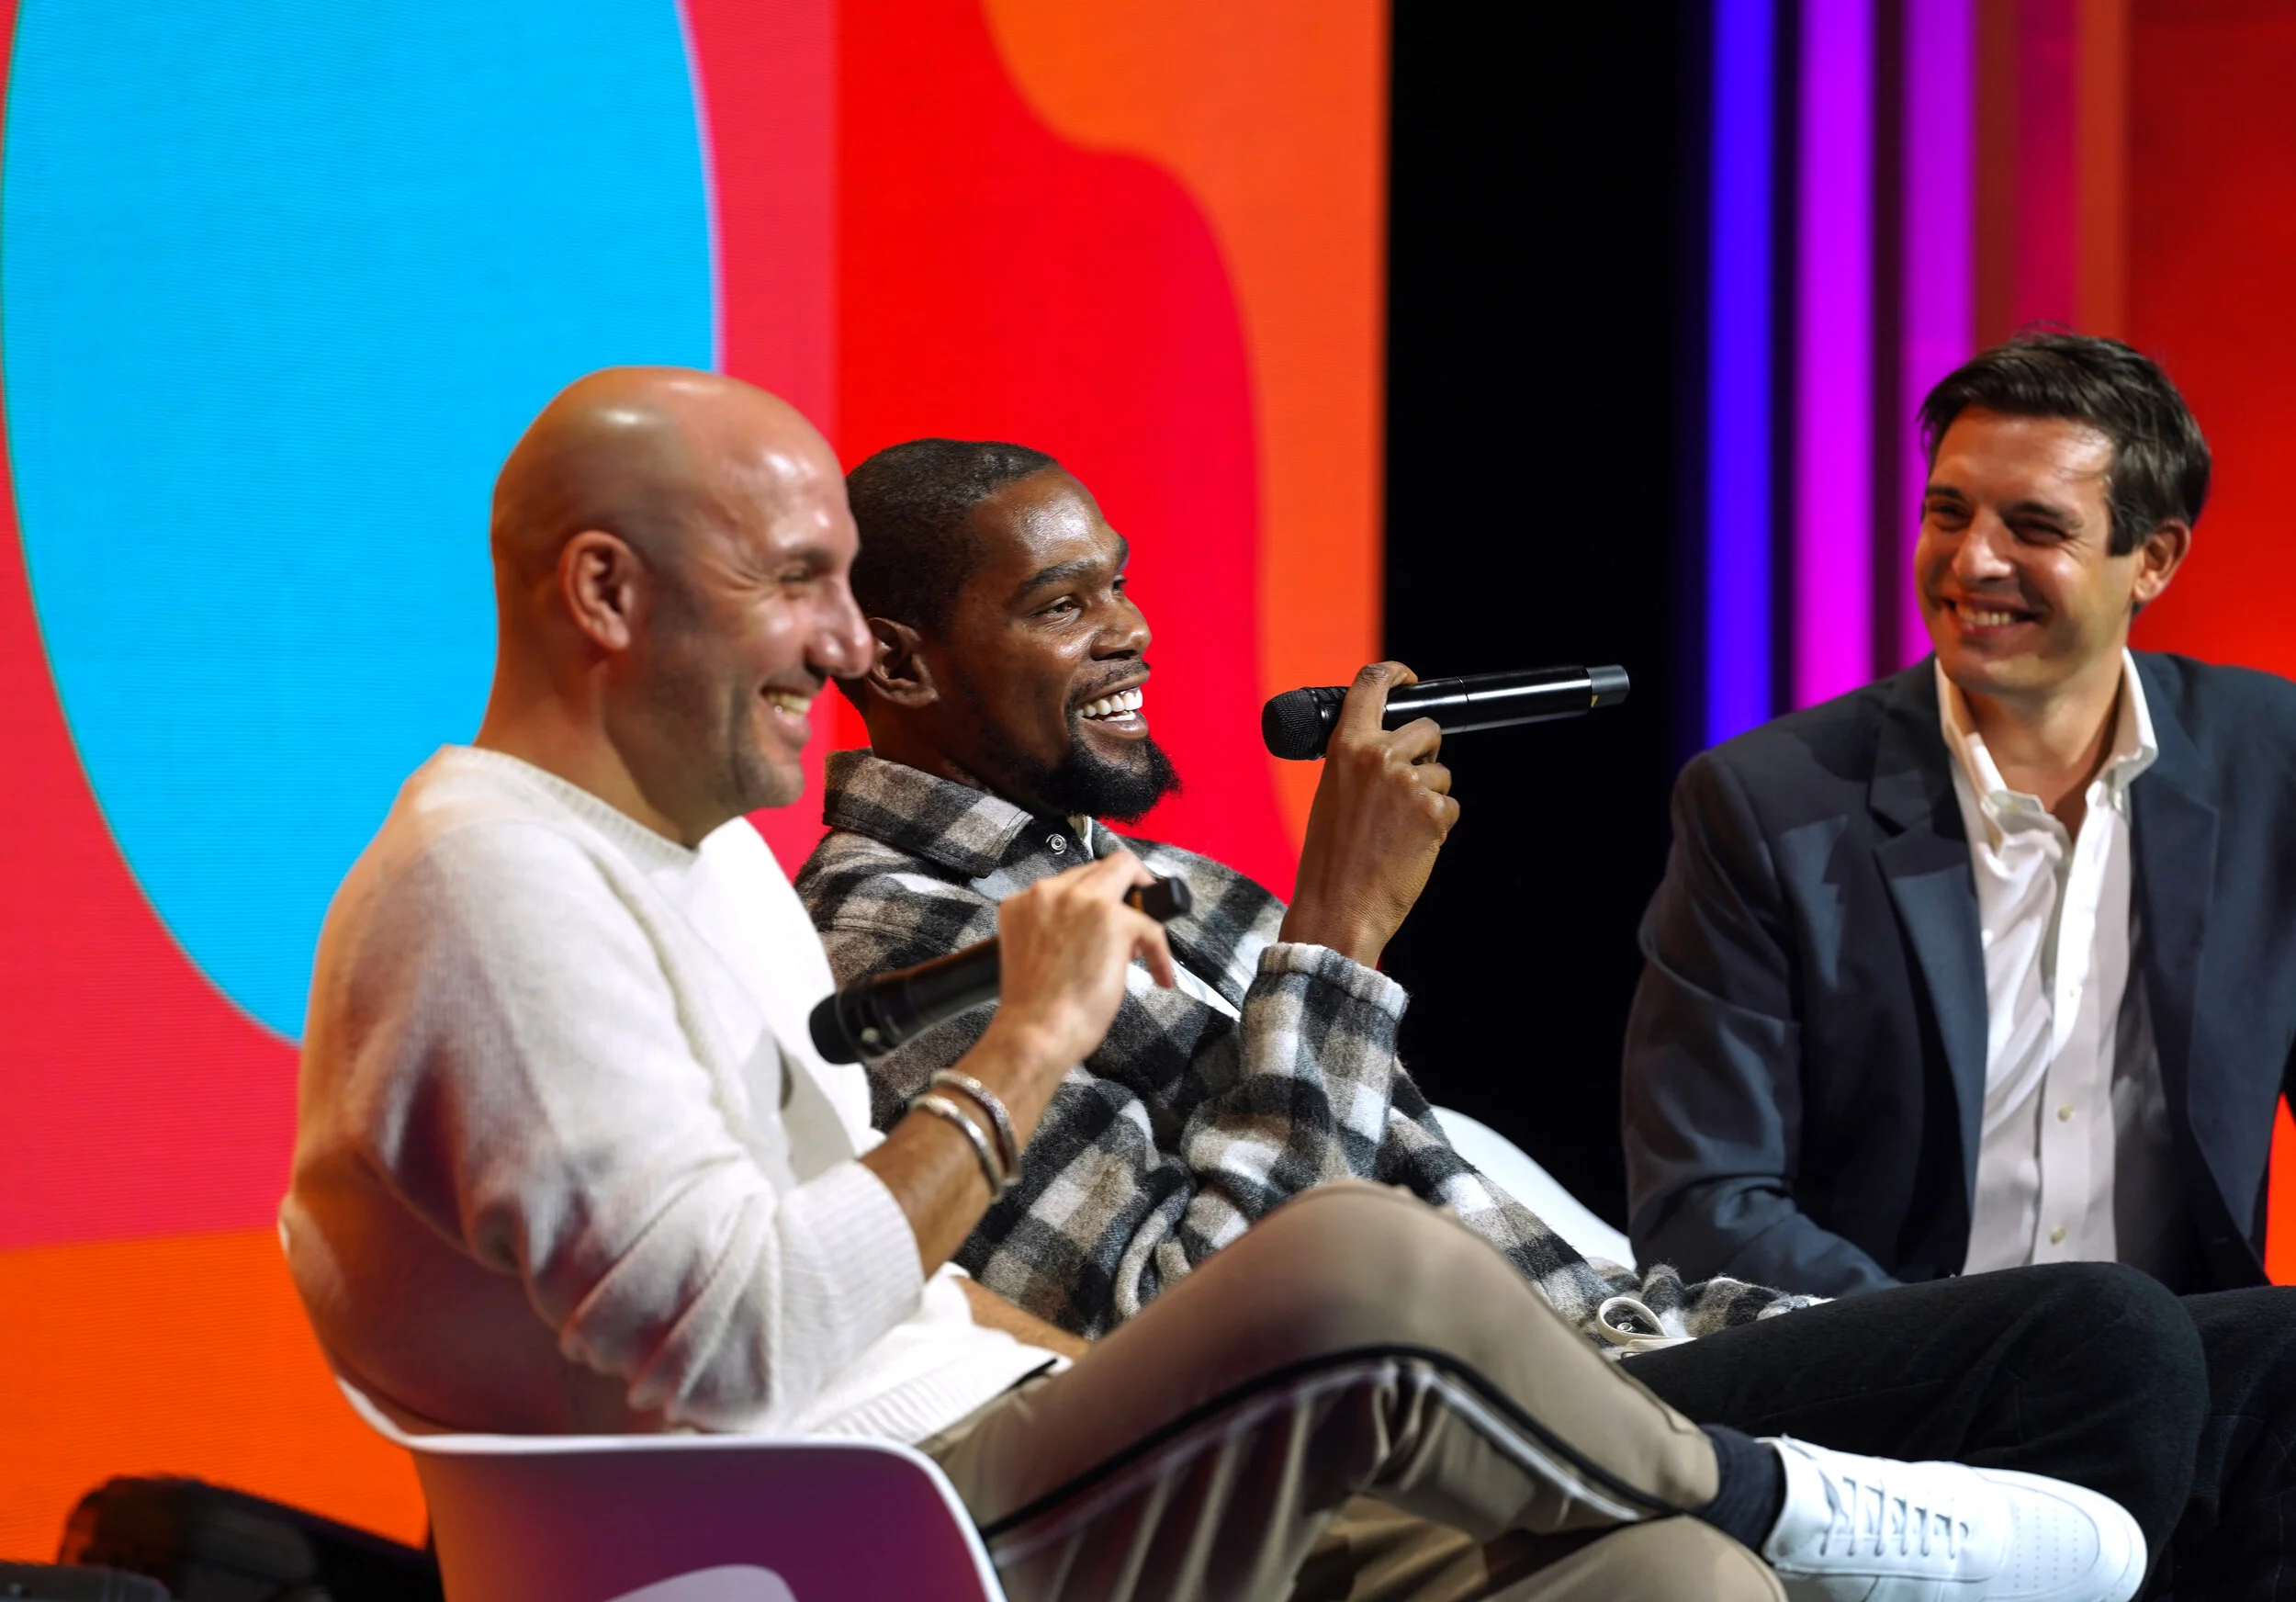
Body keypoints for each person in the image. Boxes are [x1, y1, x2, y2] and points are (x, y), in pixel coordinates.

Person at [284, 367, 2156, 1602]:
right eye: (798, 585)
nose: (838, 644)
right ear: (606, 594)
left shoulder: (688, 864)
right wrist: (1027, 1046)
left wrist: (1126, 1352)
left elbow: (902, 1274)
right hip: (856, 1526)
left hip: (998, 1431)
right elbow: (735, 1338)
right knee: (1364, 1273)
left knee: (1673, 1587)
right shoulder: (492, 873)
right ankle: (1799, 1494)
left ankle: (1767, 1514)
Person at [793, 432, 2296, 1598]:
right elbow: (1211, 1334)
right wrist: (1338, 936)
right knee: (2103, 1342)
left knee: (2269, 1357)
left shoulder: (1174, 883)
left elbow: (1504, 1233)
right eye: (1064, 605)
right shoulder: (905, 947)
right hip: (1488, 1416)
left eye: (1119, 579)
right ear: (901, 662)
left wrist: (1818, 1333)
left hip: (1620, 1343)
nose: (1130, 630)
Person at [1620, 331, 2296, 1592]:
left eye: (2031, 525)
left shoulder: (2273, 764)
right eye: (1949, 511)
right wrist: (1975, 1345)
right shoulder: (1764, 803)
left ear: (2152, 560)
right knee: (2109, 1352)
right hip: (1892, 1364)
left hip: (2176, 1354)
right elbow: (1701, 1200)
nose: (1972, 560)